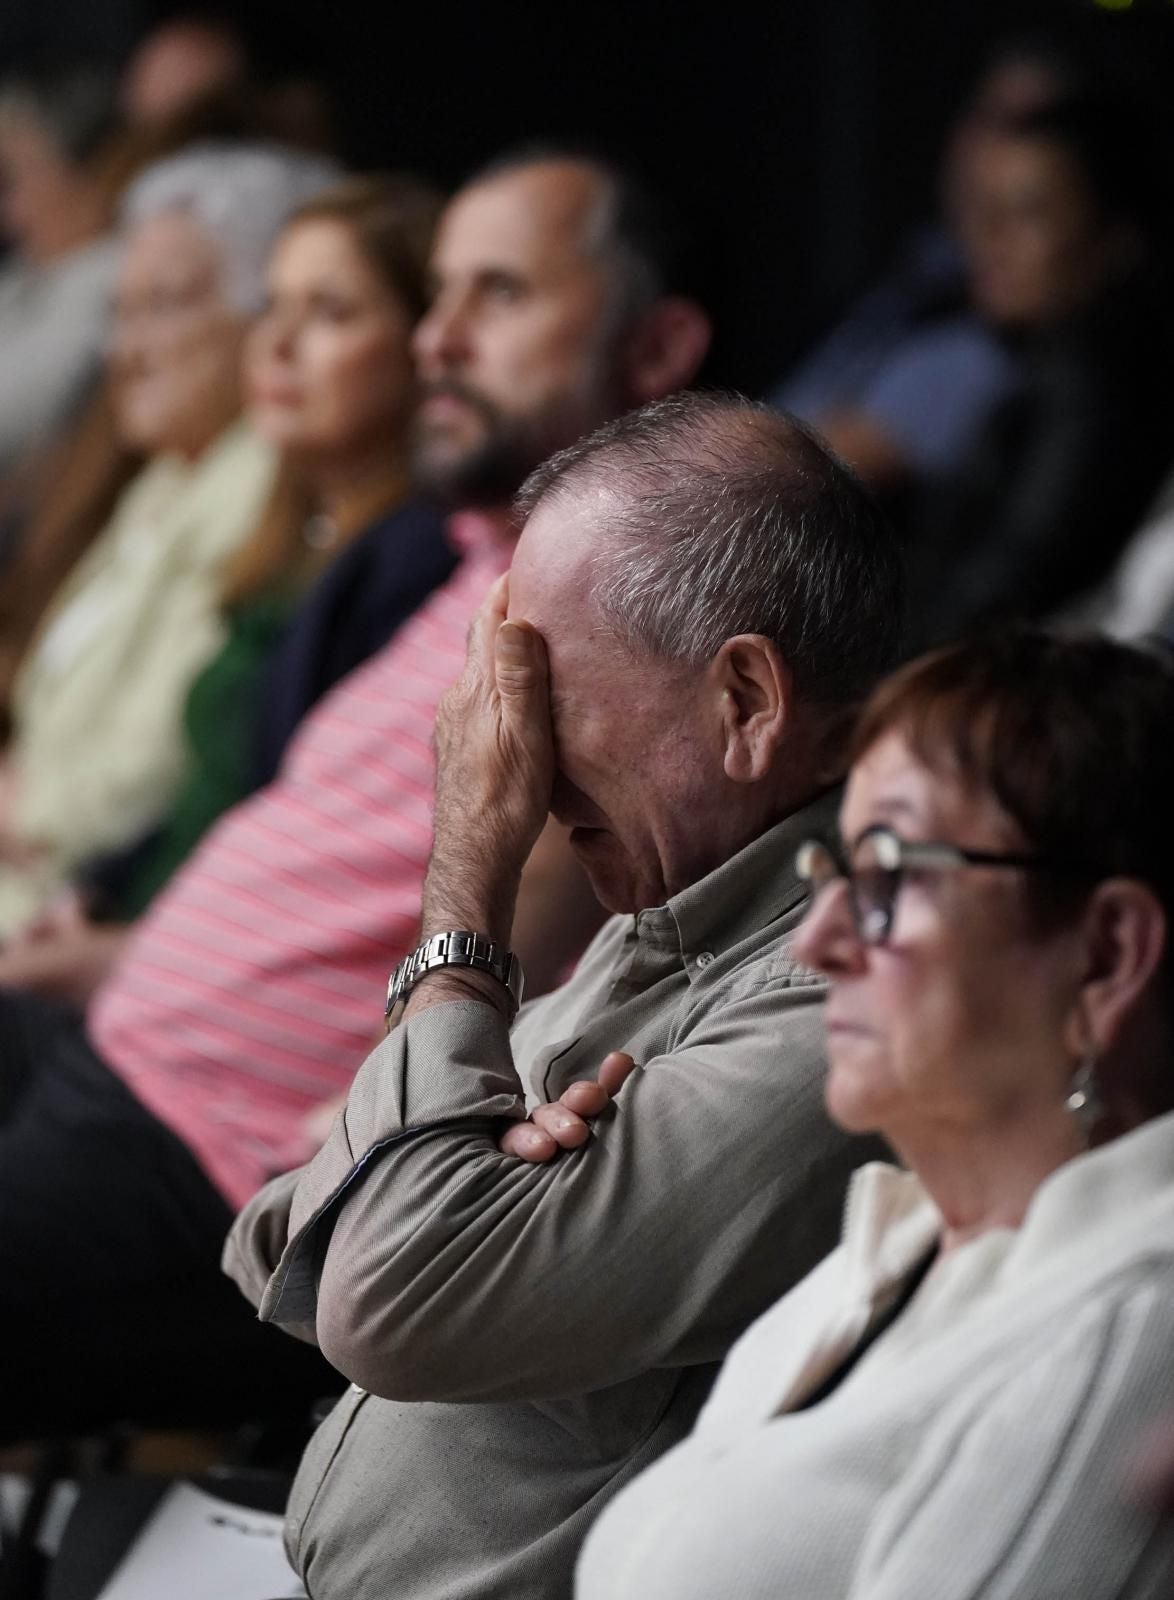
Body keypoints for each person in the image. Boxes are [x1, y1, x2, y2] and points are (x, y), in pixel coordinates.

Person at [0, 148, 711, 1442]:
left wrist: (360, 1143)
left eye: (499, 294)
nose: (439, 339)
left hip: (211, 1157)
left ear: (657, 344)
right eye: (437, 295)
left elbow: (548, 948)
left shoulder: (626, 602)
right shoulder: (477, 552)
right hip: (123, 1050)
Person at [223, 391, 904, 1600]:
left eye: (544, 700)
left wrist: (467, 886)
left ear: (746, 701)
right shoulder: (670, 913)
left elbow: (380, 1294)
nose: (516, 768)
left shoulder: (837, 1005)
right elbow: (272, 1233)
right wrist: (450, 1178)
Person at [575, 628, 1174, 1600]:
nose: (814, 943)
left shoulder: (1136, 1324)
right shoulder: (899, 1240)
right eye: (836, 875)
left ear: (1105, 955)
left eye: (889, 875)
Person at [0, 172, 449, 1003]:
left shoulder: (409, 560)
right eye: (273, 307)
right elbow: (197, 799)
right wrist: (93, 895)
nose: (276, 343)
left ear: (425, 346)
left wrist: (123, 939)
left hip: (193, 972)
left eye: (330, 313)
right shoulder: (291, 530)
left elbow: (281, 831)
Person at [0, 142, 337, 938]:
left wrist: (27, 808)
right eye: (121, 311)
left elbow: (157, 770)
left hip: (63, 913)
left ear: (262, 316)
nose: (124, 349)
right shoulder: (168, 476)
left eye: (164, 305)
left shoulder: (261, 487)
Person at [907, 97, 1174, 644]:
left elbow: (1005, 584)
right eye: (984, 209)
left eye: (1029, 212)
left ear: (1116, 237)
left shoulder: (1095, 386)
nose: (990, 237)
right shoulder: (1041, 368)